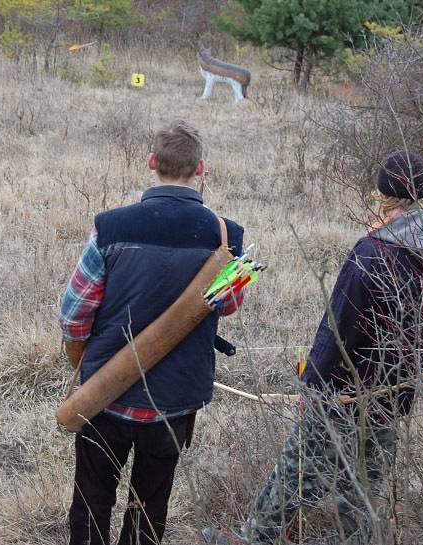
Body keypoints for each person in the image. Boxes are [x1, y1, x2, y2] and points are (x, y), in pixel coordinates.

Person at [239, 151, 423, 544]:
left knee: (297, 470)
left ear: (382, 190)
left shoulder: (372, 253)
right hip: (393, 388)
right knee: (366, 482)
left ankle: (252, 539)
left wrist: (312, 386)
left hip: (343, 394)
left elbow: (337, 331)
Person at [59, 120, 245, 545]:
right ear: (201, 170)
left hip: (107, 394)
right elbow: (230, 305)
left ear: (150, 163)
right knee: (150, 505)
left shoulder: (111, 226)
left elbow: (72, 316)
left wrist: (94, 363)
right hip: (176, 401)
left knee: (91, 498)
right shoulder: (229, 237)